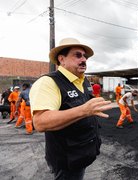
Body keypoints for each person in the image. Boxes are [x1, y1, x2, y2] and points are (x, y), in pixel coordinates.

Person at [29, 37, 112, 179]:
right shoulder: (48, 82)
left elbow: (84, 103)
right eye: (77, 55)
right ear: (62, 59)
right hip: (67, 159)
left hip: (83, 153)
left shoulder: (84, 80)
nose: (84, 59)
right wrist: (84, 110)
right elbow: (40, 122)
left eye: (85, 56)